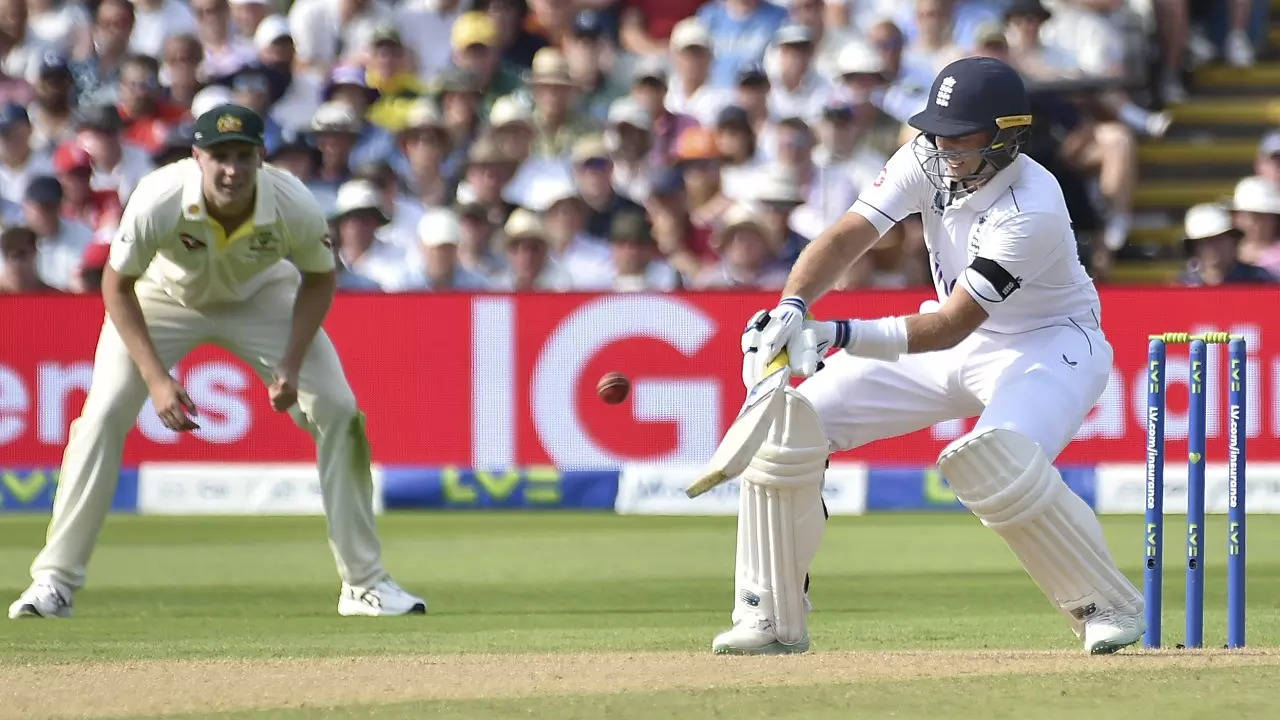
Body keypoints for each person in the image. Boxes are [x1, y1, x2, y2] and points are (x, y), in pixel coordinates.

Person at [716, 57, 1143, 656]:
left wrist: (835, 332)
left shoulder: (1033, 207)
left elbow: (951, 324)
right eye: (938, 131)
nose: (944, 147)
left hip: (1050, 343)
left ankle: (1109, 605)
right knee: (786, 429)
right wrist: (791, 307)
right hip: (955, 340)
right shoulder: (924, 155)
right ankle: (769, 618)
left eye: (960, 135)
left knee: (996, 461)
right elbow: (849, 234)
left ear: (1006, 135)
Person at [8, 104, 426, 620]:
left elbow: (319, 279)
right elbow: (116, 286)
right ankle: (54, 583)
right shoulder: (159, 196)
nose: (232, 169)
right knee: (102, 416)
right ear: (198, 157)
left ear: (260, 158)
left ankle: (364, 584)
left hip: (262, 299)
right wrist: (158, 379)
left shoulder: (292, 200)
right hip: (163, 298)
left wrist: (291, 364)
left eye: (243, 156)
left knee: (339, 411)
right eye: (220, 156)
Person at [1179, 201, 1273, 286]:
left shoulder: (1260, 280)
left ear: (1233, 241)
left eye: (1219, 239)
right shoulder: (1183, 285)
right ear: (1194, 247)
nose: (1213, 248)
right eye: (1205, 241)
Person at [0, 225, 58, 293]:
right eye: (7, 254)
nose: (14, 262)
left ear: (34, 253)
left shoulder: (54, 297)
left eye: (21, 254)